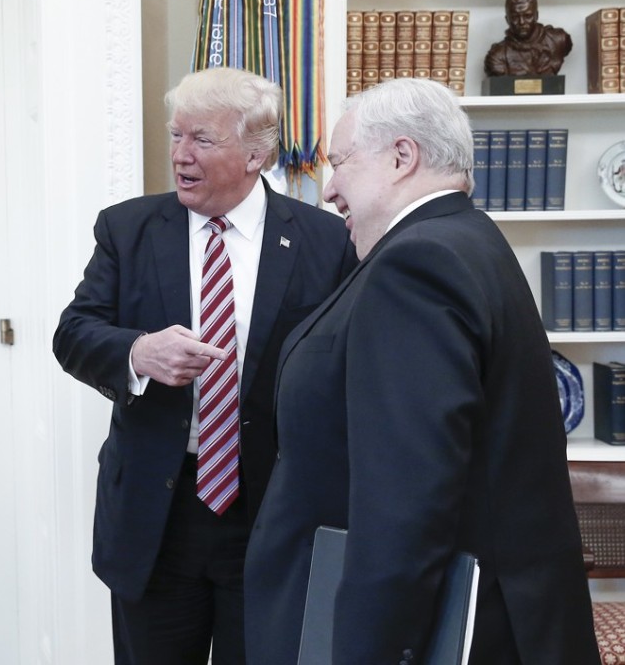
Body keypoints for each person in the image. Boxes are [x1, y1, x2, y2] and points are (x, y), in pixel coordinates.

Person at [244, 77, 598, 664]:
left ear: (401, 156)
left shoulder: (417, 264)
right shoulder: (467, 239)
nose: (330, 190)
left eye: (340, 163)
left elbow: (405, 503)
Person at [53, 66, 357, 665]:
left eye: (201, 139)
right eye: (176, 135)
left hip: (270, 512)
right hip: (157, 517)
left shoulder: (325, 241)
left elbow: (347, 368)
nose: (180, 155)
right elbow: (74, 334)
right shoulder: (127, 229)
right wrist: (138, 352)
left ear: (255, 154)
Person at [484, 0, 573, 77]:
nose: (522, 22)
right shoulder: (497, 56)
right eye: (515, 17)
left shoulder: (558, 40)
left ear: (536, 16)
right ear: (507, 20)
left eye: (527, 16)